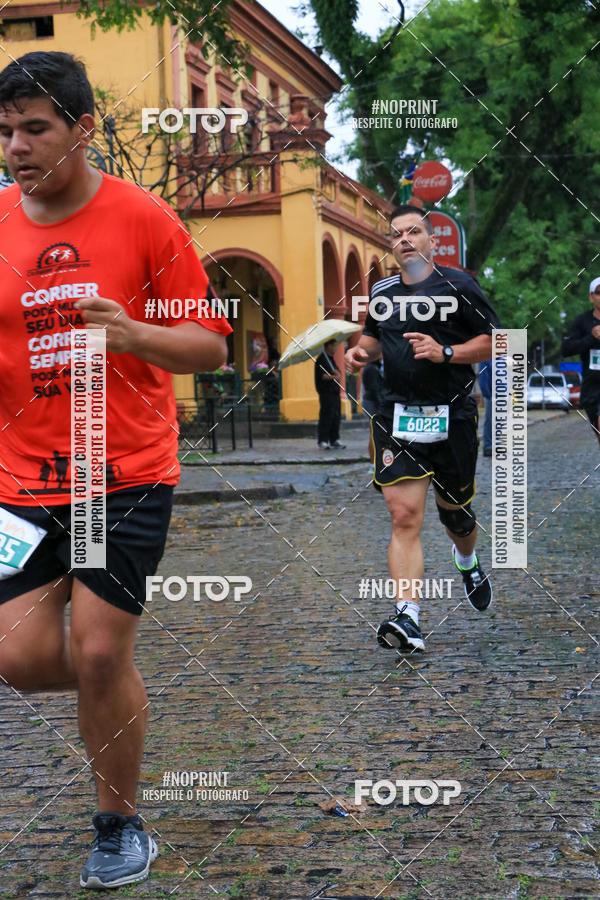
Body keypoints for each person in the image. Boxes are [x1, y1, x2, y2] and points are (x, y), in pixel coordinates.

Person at [0, 52, 232, 889]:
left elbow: (208, 344)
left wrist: (134, 335)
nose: (16, 147)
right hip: (21, 481)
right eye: (5, 131)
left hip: (121, 471)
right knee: (20, 658)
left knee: (96, 650)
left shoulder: (145, 221)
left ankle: (118, 823)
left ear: (83, 128)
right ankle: (118, 685)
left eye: (35, 128)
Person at [345, 204, 501, 653]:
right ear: (391, 245)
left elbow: (493, 341)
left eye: (414, 232)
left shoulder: (461, 285)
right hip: (396, 415)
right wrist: (360, 354)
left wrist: (446, 353)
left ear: (432, 240)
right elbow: (373, 340)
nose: (405, 240)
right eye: (396, 235)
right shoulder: (383, 290)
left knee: (455, 515)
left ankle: (467, 560)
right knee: (404, 515)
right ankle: (408, 617)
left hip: (453, 415)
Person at [561, 277, 600, 446]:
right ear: (591, 297)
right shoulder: (582, 322)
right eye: (599, 293)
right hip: (591, 387)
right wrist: (591, 338)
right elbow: (566, 349)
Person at [315, 338, 345, 449]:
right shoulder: (321, 360)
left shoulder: (331, 360)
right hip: (326, 393)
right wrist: (334, 376)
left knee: (336, 416)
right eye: (334, 345)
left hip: (335, 393)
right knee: (326, 416)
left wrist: (337, 373)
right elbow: (322, 376)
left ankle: (334, 439)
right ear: (328, 346)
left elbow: (337, 372)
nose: (336, 348)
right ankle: (323, 440)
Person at [478, 359, 493, 457]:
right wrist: (487, 394)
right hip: (492, 395)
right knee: (490, 420)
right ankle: (488, 447)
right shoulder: (486, 358)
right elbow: (483, 376)